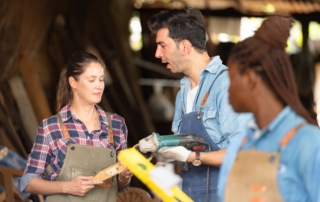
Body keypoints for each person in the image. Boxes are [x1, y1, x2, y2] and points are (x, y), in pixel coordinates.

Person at [143, 8, 251, 202]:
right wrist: (166, 169)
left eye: (162, 45)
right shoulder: (183, 91)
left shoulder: (227, 85)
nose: (157, 54)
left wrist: (192, 157)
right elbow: (183, 156)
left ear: (185, 47)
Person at [218, 16, 320, 202]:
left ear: (250, 79)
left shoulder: (309, 144)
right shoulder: (241, 144)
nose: (228, 89)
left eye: (232, 79)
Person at [19, 51, 133, 201]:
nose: (99, 86)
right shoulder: (51, 127)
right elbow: (27, 182)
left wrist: (124, 177)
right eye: (92, 80)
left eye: (101, 79)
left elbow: (119, 186)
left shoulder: (116, 124)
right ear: (73, 82)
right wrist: (66, 187)